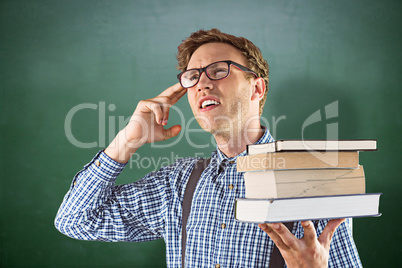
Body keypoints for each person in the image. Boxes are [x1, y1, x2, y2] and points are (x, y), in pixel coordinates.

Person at [55, 29, 362, 267]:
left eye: (219, 70)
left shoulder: (312, 182)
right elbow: (75, 220)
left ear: (257, 87)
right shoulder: (176, 183)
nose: (202, 83)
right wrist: (127, 140)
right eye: (193, 76)